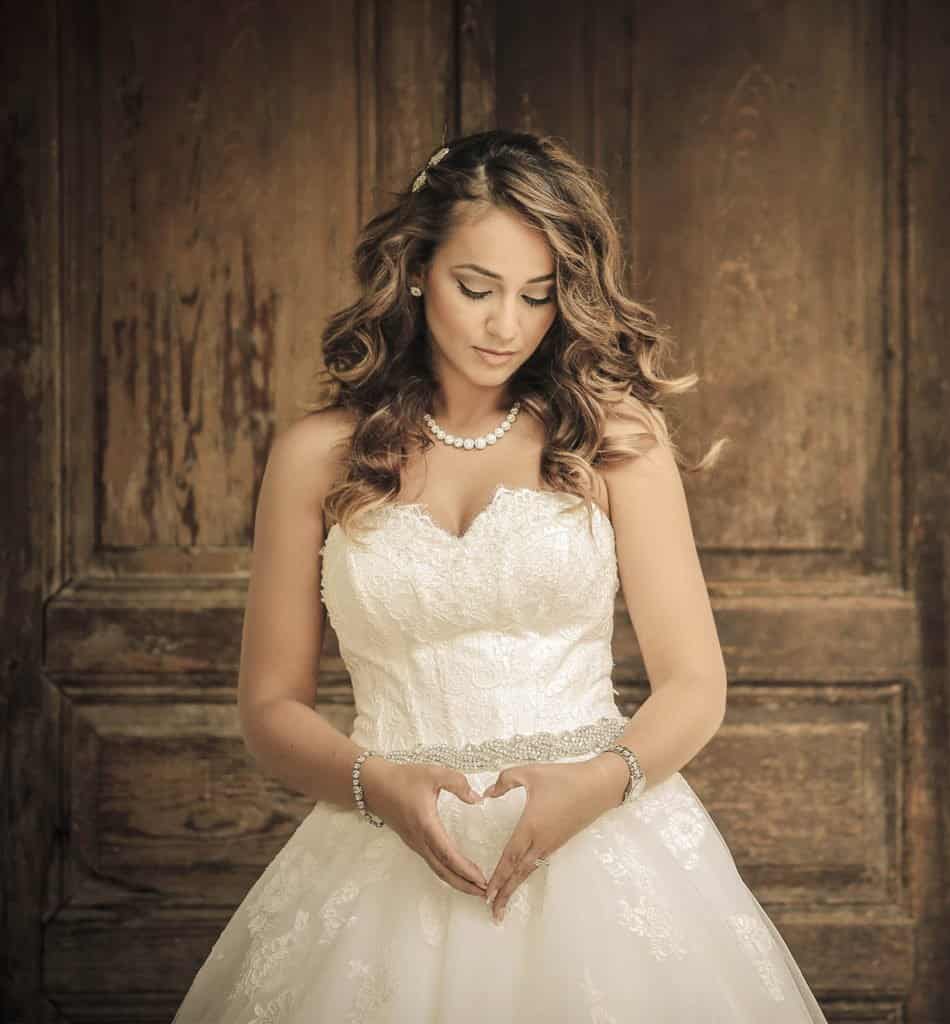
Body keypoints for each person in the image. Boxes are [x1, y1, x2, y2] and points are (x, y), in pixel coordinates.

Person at [173, 130, 829, 1022]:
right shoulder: (314, 457)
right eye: (475, 288)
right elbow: (271, 708)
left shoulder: (616, 439)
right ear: (414, 270)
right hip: (385, 849)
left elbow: (695, 683)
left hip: (600, 843)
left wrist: (595, 785)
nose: (505, 325)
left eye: (538, 295)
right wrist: (380, 785)